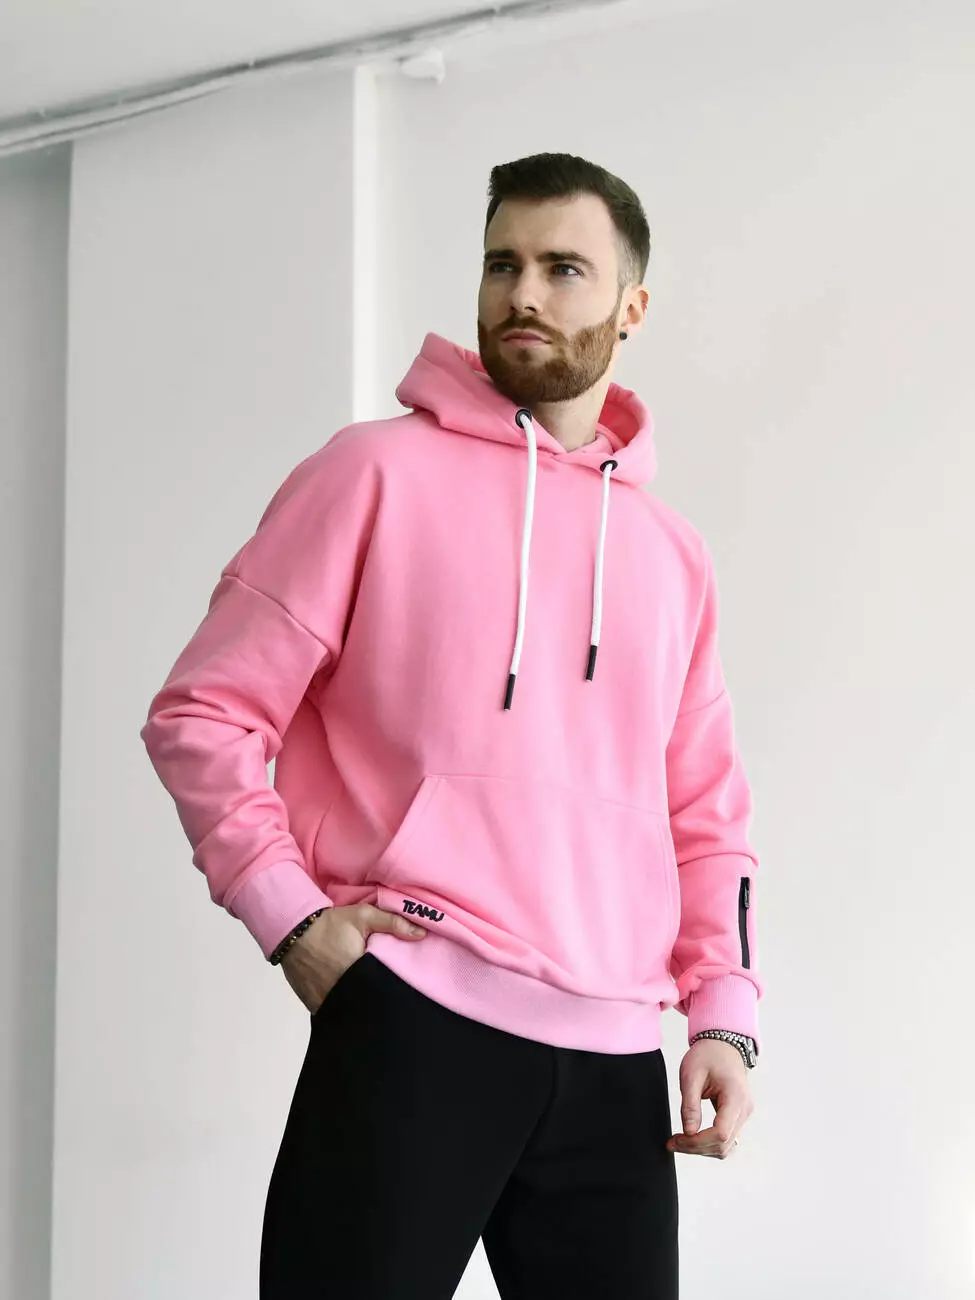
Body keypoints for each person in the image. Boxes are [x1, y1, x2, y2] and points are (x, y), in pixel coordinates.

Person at [141, 151, 762, 1300]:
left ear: (631, 307)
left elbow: (705, 814)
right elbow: (204, 711)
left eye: (563, 268)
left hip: (616, 1058)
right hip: (414, 1021)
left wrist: (724, 1015)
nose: (523, 292)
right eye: (501, 263)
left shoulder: (673, 555)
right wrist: (292, 919)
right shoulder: (369, 473)